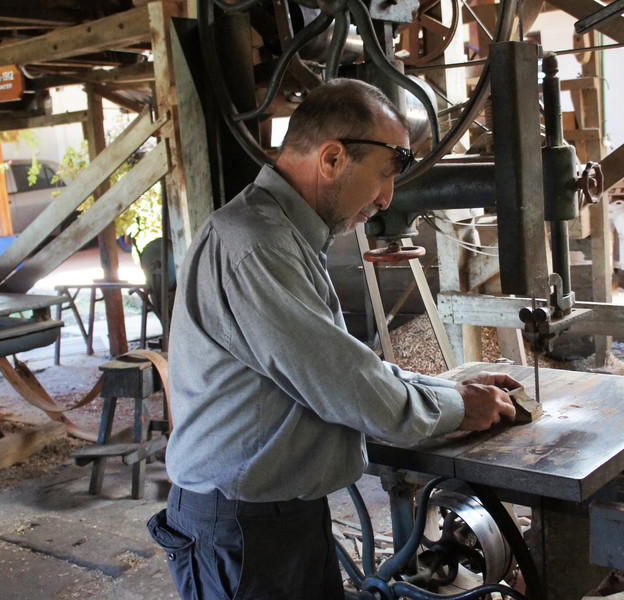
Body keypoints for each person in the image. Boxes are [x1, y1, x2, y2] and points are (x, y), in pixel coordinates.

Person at [148, 78, 519, 599]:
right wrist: (460, 409)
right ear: (332, 159)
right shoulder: (257, 247)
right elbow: (346, 386)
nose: (388, 197)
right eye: (385, 176)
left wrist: (451, 392)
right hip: (245, 528)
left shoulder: (286, 236)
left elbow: (344, 365)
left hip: (279, 516)